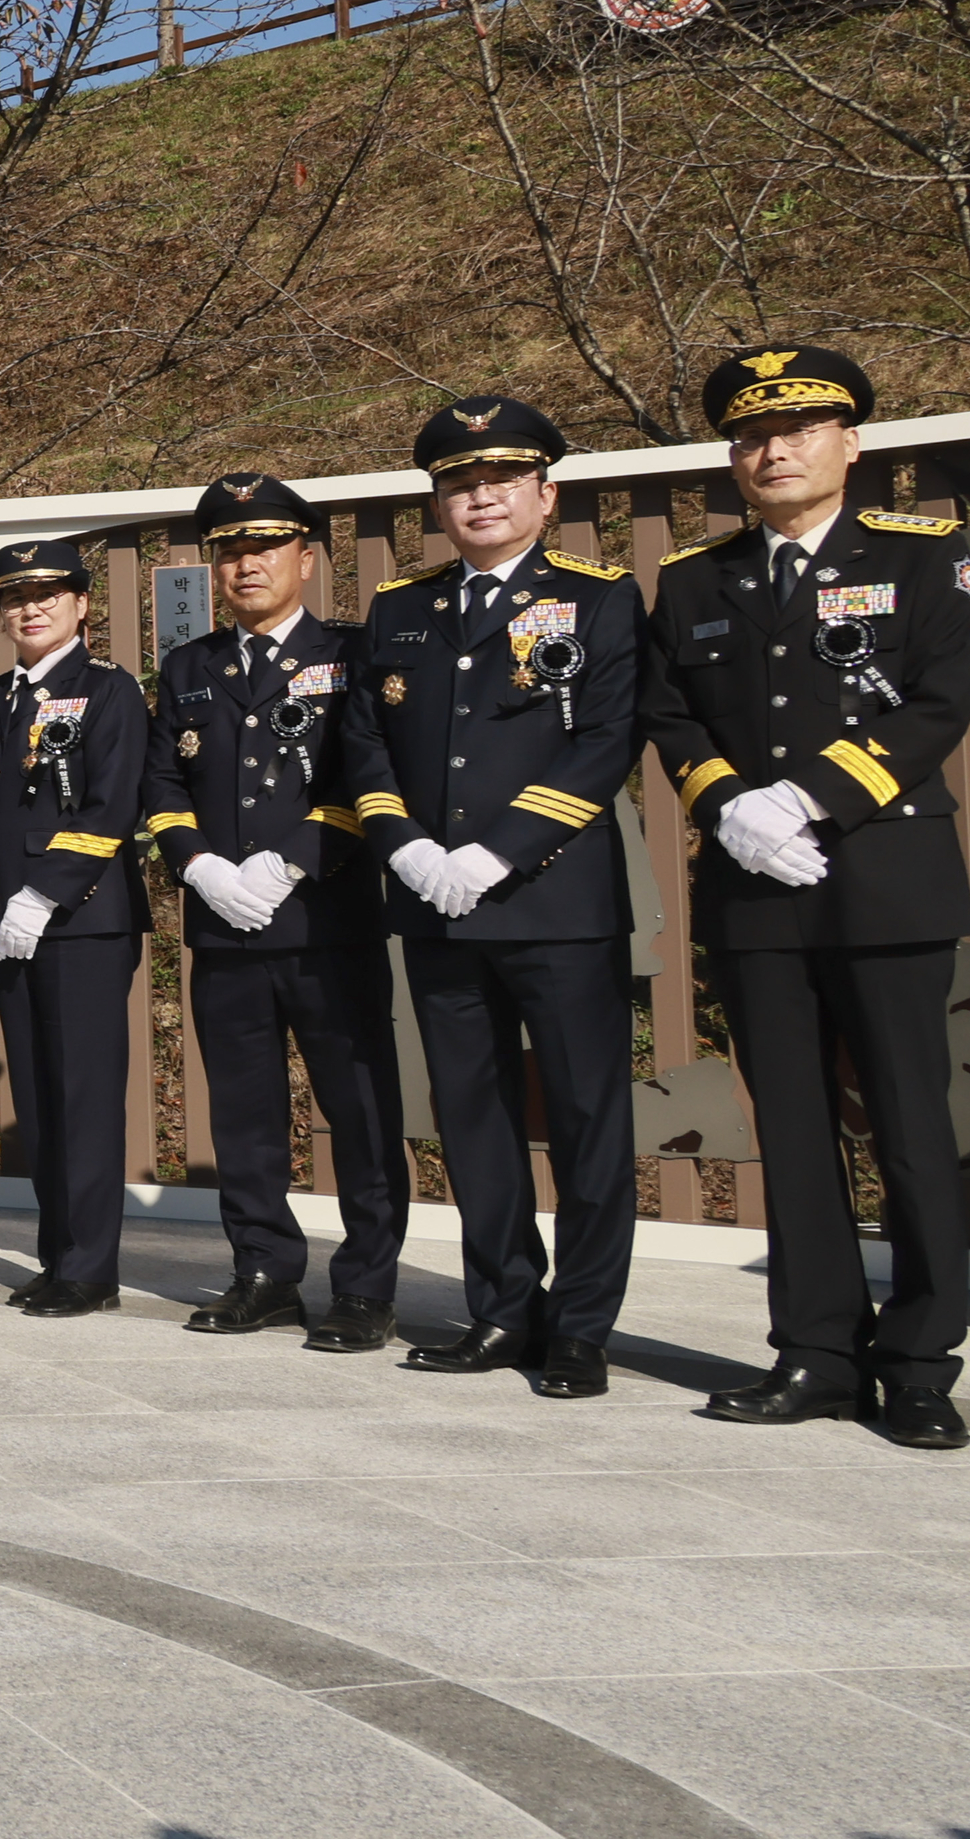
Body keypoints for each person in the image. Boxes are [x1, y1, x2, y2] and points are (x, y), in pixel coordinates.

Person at [643, 347, 970, 1449]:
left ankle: (921, 1361)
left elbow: (935, 704)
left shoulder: (924, 558)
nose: (772, 450)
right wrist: (729, 802)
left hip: (883, 877)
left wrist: (807, 795)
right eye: (750, 435)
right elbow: (672, 714)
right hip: (753, 890)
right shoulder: (697, 580)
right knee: (789, 1126)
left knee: (908, 1124)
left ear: (851, 444)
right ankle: (817, 1351)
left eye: (797, 429)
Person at [347, 396, 644, 1400]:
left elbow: (607, 737)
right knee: (471, 1116)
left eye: (500, 480)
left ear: (544, 493)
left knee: (585, 1115)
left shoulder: (599, 597)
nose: (479, 497)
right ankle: (504, 1305)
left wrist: (501, 850)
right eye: (459, 483)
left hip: (556, 902)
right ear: (438, 500)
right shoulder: (400, 607)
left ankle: (583, 1324)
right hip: (436, 903)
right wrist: (406, 847)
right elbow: (363, 743)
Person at [142, 476, 414, 1352]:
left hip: (327, 922)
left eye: (264, 546)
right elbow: (163, 784)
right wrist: (202, 867)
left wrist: (293, 859)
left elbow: (368, 774)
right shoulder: (191, 667)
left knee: (361, 1108)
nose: (246, 563)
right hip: (225, 926)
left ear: (308, 556)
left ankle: (366, 1286)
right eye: (229, 550)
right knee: (244, 1115)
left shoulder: (354, 652)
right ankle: (263, 1271)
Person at [0, 539, 148, 1316]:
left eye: (47, 594)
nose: (29, 608)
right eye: (13, 598)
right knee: (38, 1096)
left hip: (82, 923)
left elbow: (112, 805)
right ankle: (59, 1254)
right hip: (4, 926)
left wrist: (42, 895)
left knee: (84, 1097)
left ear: (82, 604)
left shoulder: (109, 691)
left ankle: (91, 1268)